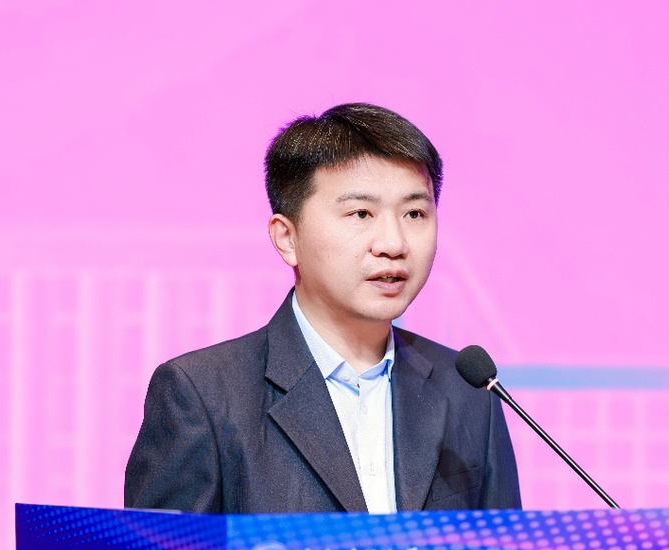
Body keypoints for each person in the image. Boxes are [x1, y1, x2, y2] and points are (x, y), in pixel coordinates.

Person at [124, 103, 520, 513]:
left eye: (414, 213)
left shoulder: (470, 391)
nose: (394, 244)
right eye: (361, 213)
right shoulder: (203, 394)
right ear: (287, 238)